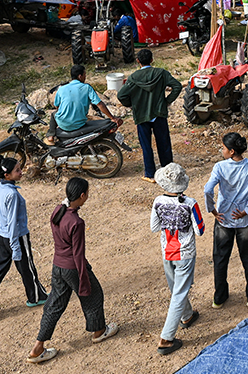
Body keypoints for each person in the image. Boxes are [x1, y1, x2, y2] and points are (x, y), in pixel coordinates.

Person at [28, 178, 119, 364]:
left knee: (55, 304)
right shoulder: (77, 222)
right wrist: (83, 278)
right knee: (93, 295)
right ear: (83, 195)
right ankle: (99, 332)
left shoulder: (58, 211)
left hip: (57, 266)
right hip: (73, 267)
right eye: (88, 194)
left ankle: (38, 347)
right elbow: (78, 254)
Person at [0, 156, 47, 320]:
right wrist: (16, 247)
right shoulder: (12, 194)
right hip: (17, 237)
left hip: (2, 237)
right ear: (7, 175)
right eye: (17, 170)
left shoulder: (0, 187)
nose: (21, 172)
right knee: (27, 268)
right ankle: (37, 297)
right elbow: (13, 222)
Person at [204, 132, 248, 308]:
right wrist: (247, 210)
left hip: (223, 219)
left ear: (231, 151)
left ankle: (220, 298)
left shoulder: (220, 167)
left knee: (220, 258)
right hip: (244, 221)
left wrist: (212, 210)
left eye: (223, 148)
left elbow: (208, 190)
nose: (221, 150)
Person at [150, 163, 205, 356]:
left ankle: (187, 315)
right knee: (179, 293)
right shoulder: (190, 203)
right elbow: (200, 230)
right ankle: (166, 339)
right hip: (185, 252)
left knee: (176, 289)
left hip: (167, 251)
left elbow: (154, 227)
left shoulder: (157, 201)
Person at [117, 49, 183, 184]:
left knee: (146, 146)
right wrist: (167, 101)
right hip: (159, 114)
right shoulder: (161, 73)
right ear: (152, 60)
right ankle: (168, 171)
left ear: (138, 61)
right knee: (164, 143)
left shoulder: (133, 77)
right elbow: (177, 86)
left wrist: (132, 105)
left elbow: (121, 95)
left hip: (142, 116)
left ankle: (150, 174)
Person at [45, 65, 119, 146]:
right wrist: (112, 117)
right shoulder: (87, 87)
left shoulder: (61, 89)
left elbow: (57, 106)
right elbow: (99, 104)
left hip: (63, 124)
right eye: (85, 75)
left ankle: (50, 136)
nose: (85, 77)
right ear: (80, 76)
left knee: (54, 114)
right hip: (79, 124)